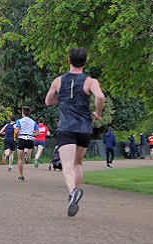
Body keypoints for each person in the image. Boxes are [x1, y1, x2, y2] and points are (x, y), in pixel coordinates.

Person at [45, 47, 105, 217]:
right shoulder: (90, 81)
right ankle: (75, 191)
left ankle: (72, 192)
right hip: (84, 128)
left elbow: (48, 101)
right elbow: (99, 97)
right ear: (85, 63)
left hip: (66, 128)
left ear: (69, 61)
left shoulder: (58, 81)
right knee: (78, 164)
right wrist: (98, 114)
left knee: (67, 165)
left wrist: (62, 98)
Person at [15, 106, 39, 181]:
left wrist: (17, 133)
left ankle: (21, 176)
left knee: (19, 159)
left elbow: (16, 131)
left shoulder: (19, 121)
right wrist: (33, 134)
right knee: (27, 161)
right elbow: (38, 132)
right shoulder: (33, 122)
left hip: (21, 139)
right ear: (29, 113)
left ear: (23, 113)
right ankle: (26, 154)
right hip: (29, 139)